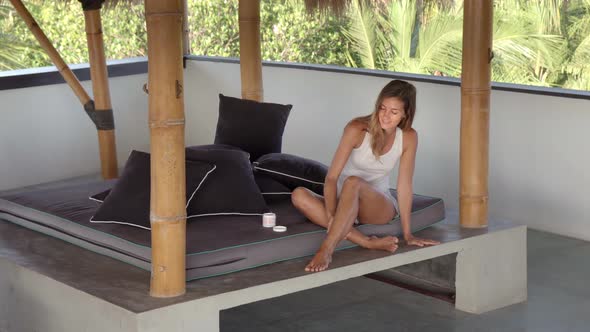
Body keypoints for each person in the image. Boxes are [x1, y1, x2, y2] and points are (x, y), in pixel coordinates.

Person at [291, 79, 440, 273]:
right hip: (343, 200)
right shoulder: (357, 129)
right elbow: (331, 178)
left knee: (353, 182)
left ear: (405, 114)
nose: (385, 117)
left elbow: (404, 187)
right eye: (383, 108)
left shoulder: (409, 137)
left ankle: (326, 249)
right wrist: (331, 215)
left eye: (394, 112)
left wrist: (408, 234)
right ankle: (367, 242)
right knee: (298, 194)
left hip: (377, 204)